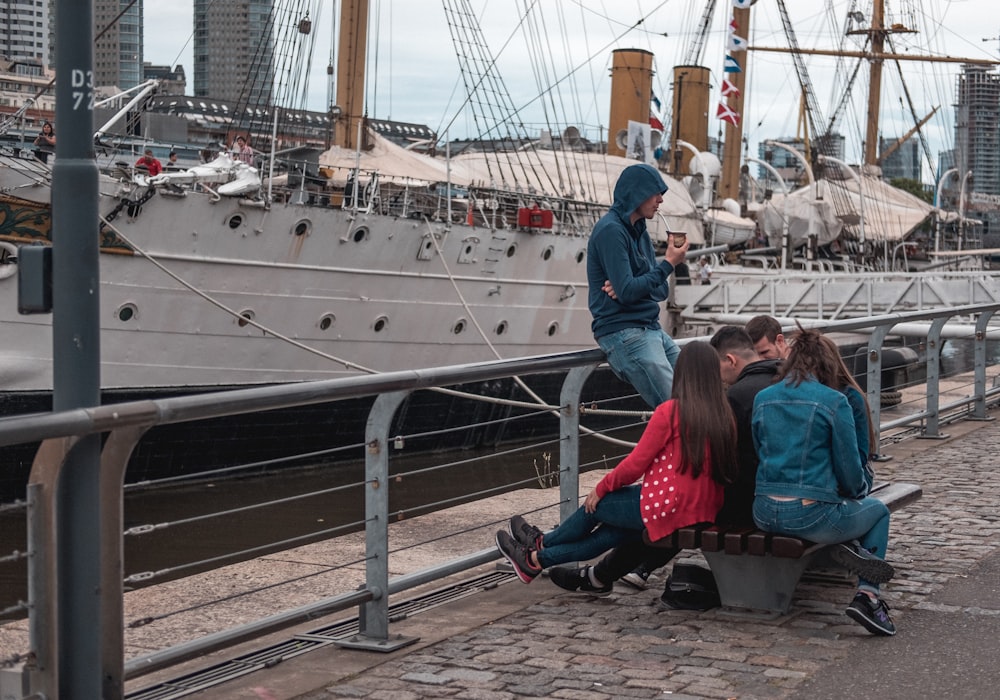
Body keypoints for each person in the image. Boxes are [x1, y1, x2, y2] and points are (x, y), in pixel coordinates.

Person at [550, 327, 780, 597]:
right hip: (776, 493)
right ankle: (604, 572)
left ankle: (551, 555)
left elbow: (638, 463)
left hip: (749, 503)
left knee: (663, 514)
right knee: (670, 511)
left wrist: (602, 488)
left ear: (730, 360)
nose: (721, 380)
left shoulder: (735, 399)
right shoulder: (780, 380)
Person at [495, 342, 737, 591]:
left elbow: (636, 464)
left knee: (597, 507)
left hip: (667, 507)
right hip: (701, 510)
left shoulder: (671, 412)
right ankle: (534, 560)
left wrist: (601, 488)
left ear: (682, 372)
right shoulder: (724, 415)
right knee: (611, 534)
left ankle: (540, 543)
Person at [751, 327, 896, 636]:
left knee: (837, 514)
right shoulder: (833, 401)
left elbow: (758, 449)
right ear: (825, 364)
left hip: (763, 511)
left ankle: (846, 542)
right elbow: (850, 472)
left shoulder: (762, 398)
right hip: (810, 512)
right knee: (877, 512)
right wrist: (857, 492)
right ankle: (868, 596)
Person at [587, 162, 690, 409]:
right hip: (625, 332)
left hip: (649, 328)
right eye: (655, 193)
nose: (660, 201)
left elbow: (658, 291)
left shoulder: (638, 230)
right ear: (637, 193)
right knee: (678, 411)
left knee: (696, 394)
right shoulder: (611, 230)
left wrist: (631, 288)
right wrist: (668, 264)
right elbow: (630, 290)